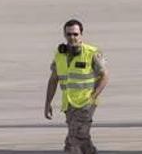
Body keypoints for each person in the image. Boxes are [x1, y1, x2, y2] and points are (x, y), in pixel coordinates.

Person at [44, 19, 109, 154]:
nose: (72, 37)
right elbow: (53, 80)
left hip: (86, 104)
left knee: (73, 140)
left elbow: (105, 76)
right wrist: (48, 102)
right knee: (83, 139)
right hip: (69, 104)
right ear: (64, 35)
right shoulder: (60, 54)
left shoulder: (92, 53)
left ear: (81, 35)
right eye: (69, 34)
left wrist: (93, 96)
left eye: (75, 34)